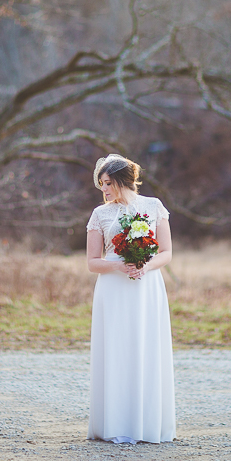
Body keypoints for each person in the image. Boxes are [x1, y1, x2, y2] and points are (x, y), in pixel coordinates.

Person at [85, 153, 176, 444]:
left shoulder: (153, 206)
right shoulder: (100, 214)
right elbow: (92, 262)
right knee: (116, 350)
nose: (103, 189)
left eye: (107, 183)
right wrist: (118, 266)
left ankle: (148, 424)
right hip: (112, 289)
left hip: (147, 286)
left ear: (123, 180)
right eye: (101, 184)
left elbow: (166, 252)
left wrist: (144, 267)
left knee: (145, 346)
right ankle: (113, 423)